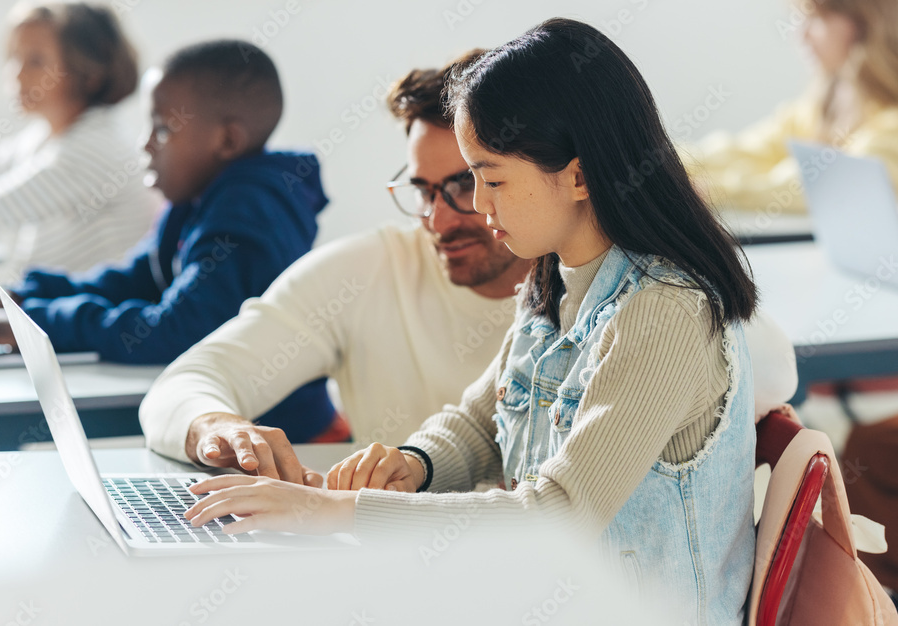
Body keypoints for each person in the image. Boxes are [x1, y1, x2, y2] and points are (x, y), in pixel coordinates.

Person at [181, 20, 779, 624]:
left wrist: (336, 513)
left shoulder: (665, 311)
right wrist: (413, 464)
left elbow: (558, 514)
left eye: (489, 180)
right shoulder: (553, 276)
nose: (480, 204)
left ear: (578, 175)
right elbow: (482, 421)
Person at [138, 50, 532, 484]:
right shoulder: (367, 269)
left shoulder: (591, 291)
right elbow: (185, 382)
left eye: (466, 182)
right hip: (380, 541)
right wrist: (215, 427)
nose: (438, 221)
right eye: (422, 191)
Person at [0, 39, 336, 443]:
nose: (145, 145)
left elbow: (174, 330)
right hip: (231, 435)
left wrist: (45, 322)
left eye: (162, 130)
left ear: (226, 140)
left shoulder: (249, 212)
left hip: (294, 446)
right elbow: (137, 279)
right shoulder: (199, 198)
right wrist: (26, 301)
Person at [0, 2, 160, 273]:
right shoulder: (45, 136)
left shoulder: (96, 148)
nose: (17, 75)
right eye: (14, 57)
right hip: (49, 305)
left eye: (36, 61)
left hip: (86, 310)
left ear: (88, 73)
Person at [684, 0, 898, 214]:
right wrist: (672, 162)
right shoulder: (816, 106)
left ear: (865, 23)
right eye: (799, 19)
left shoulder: (891, 123)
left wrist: (716, 190)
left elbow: (828, 185)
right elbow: (751, 150)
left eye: (816, 19)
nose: (801, 36)